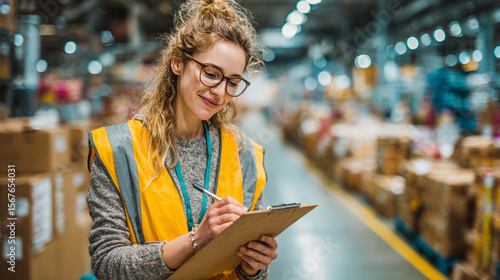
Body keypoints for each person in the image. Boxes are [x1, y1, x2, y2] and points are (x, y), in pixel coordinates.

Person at [86, 0, 277, 279]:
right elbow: (107, 264)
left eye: (233, 82)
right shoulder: (117, 150)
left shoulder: (245, 154)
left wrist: (253, 266)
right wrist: (195, 241)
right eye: (211, 74)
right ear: (177, 62)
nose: (220, 92)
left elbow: (250, 275)